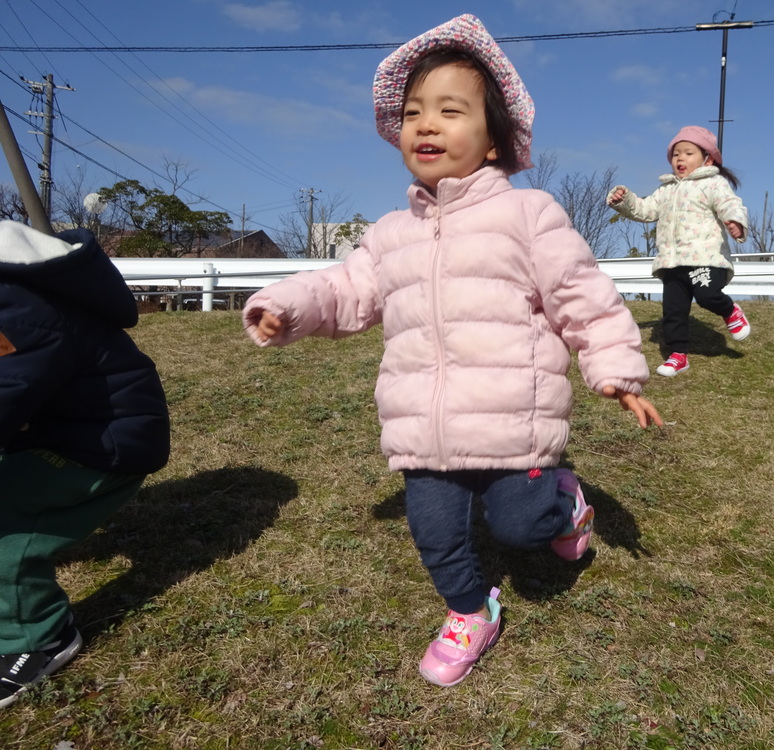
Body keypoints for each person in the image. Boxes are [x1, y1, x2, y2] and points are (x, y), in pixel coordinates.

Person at [242, 14, 662, 687]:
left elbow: (581, 294)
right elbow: (346, 288)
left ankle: (566, 504)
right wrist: (285, 305)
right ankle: (471, 608)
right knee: (435, 533)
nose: (426, 125)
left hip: (512, 423)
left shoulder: (529, 216)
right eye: (413, 114)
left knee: (522, 528)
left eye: (449, 111)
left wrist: (613, 368)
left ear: (494, 139)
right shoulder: (389, 234)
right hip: (423, 431)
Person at [0, 220, 170, 708]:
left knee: (7, 520)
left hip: (102, 445)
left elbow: (8, 390)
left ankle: (38, 637)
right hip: (55, 429)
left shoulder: (18, 311)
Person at [607, 125, 751, 377]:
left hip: (705, 258)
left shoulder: (713, 183)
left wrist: (735, 222)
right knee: (673, 311)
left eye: (688, 153)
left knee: (707, 295)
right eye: (676, 155)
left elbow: (730, 203)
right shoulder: (666, 190)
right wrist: (625, 200)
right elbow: (646, 210)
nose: (680, 159)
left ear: (707, 158)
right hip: (672, 263)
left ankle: (731, 311)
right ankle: (678, 355)